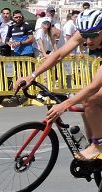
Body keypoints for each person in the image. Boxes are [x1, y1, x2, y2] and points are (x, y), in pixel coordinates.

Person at [40, 10, 102, 159]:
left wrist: (64, 105)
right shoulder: (88, 32)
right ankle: (93, 144)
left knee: (90, 100)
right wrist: (32, 76)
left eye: (93, 36)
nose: (88, 41)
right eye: (85, 36)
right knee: (85, 106)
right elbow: (59, 54)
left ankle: (98, 145)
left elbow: (95, 85)